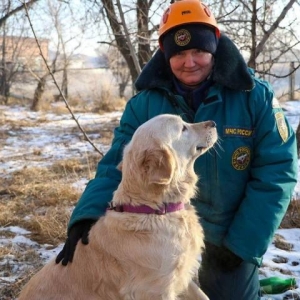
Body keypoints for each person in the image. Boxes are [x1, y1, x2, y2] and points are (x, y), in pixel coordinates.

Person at [56, 0, 298, 299]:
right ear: (165, 55)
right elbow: (117, 166)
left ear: (215, 48)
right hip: (159, 234)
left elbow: (277, 173)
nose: (189, 61)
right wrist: (86, 215)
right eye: (179, 53)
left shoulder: (254, 97)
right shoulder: (143, 105)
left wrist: (243, 245)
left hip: (230, 237)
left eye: (199, 50)